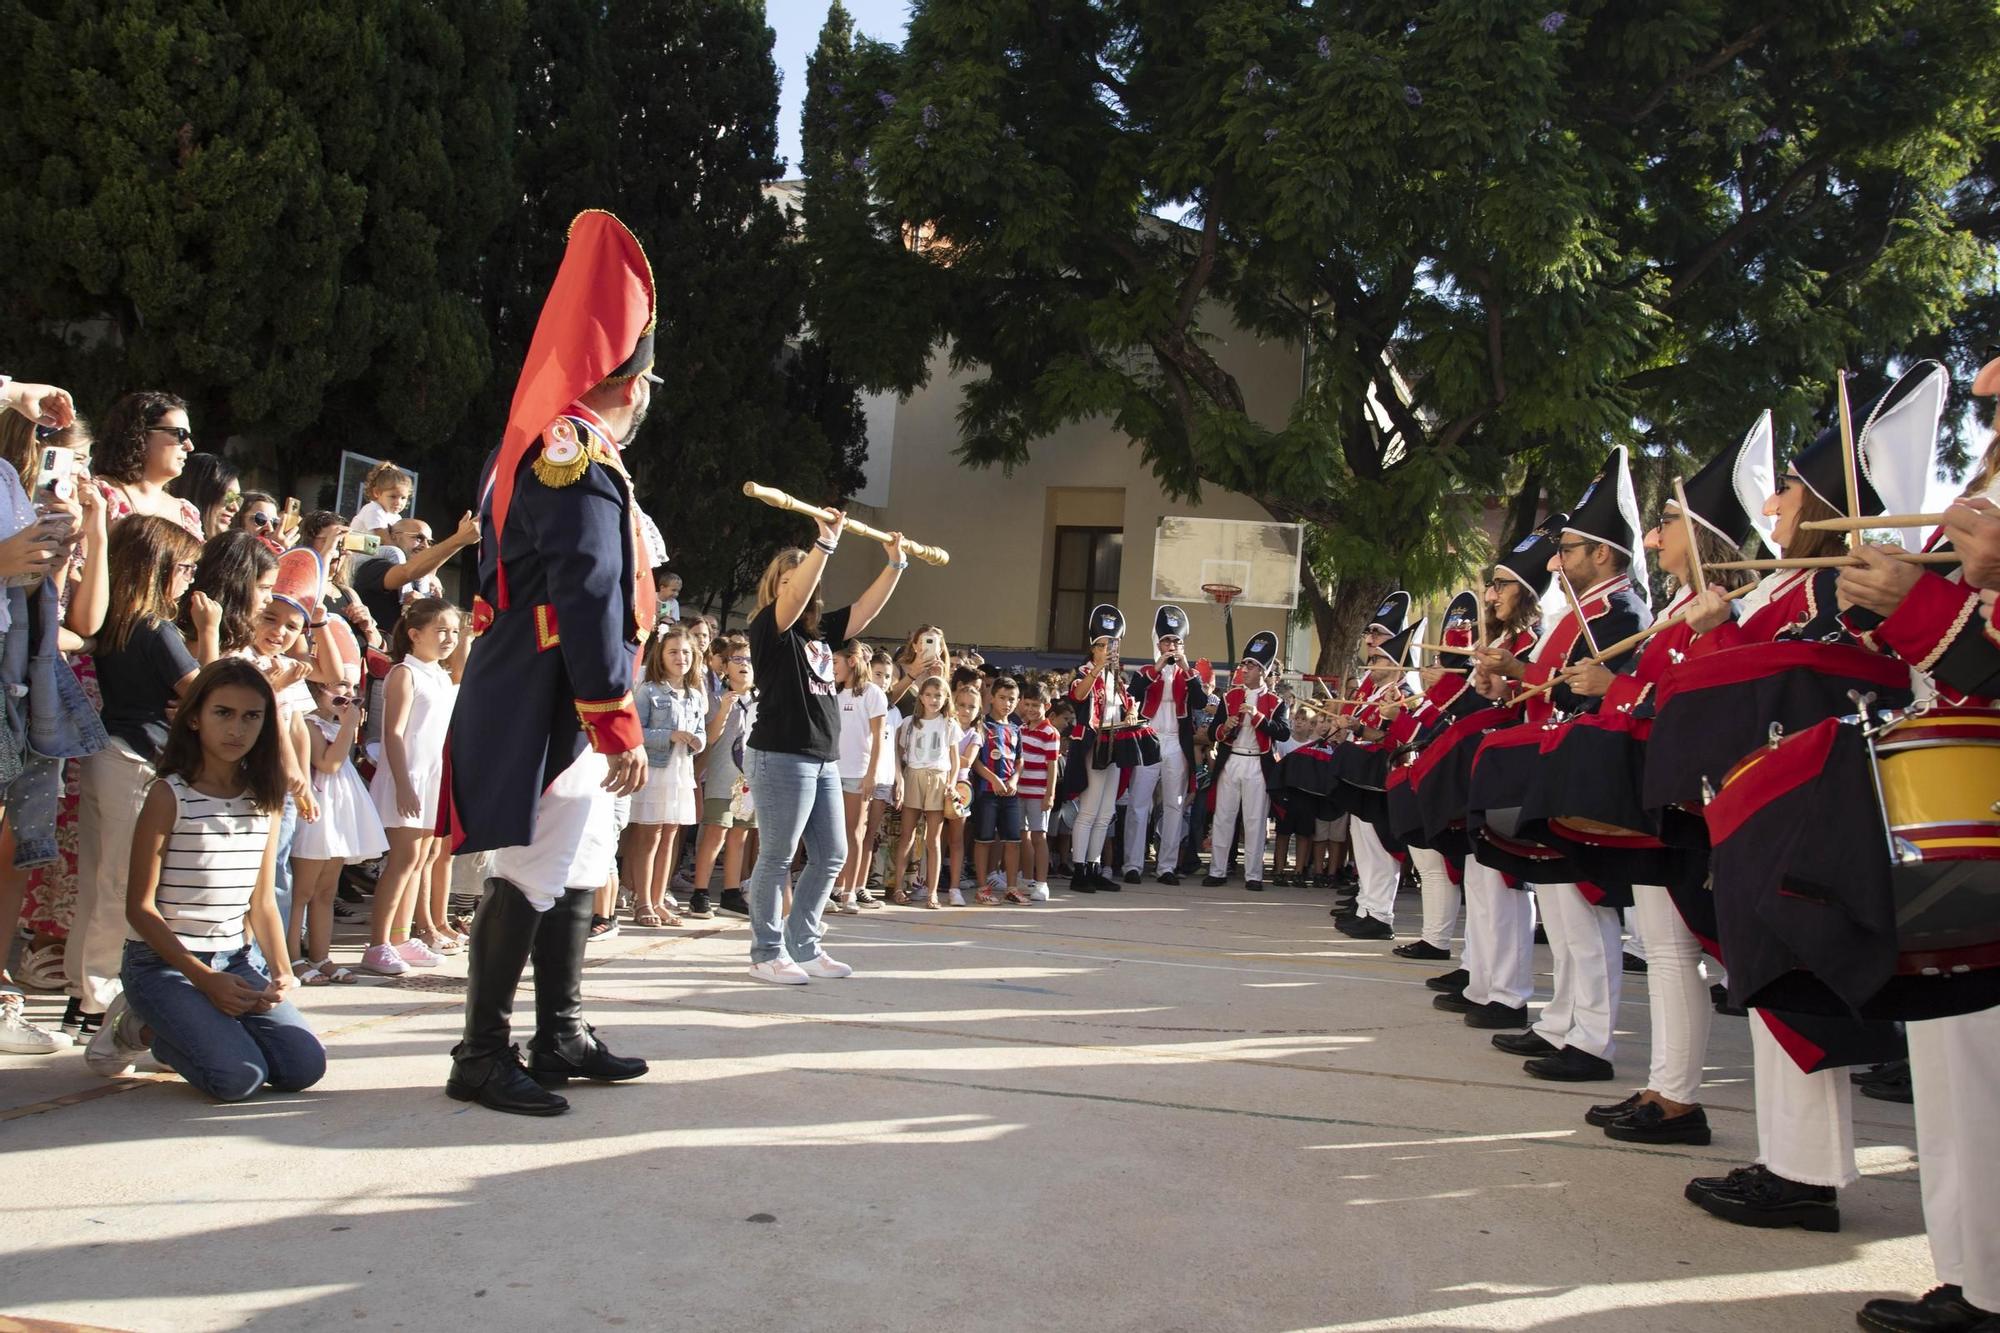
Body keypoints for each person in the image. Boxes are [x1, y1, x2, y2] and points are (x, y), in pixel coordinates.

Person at [443, 210, 657, 1115]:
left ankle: (558, 1029)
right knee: (533, 867)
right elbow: (589, 592)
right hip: (557, 696)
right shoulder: (572, 456)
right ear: (630, 386)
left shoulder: (543, 446)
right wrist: (612, 719)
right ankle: (480, 1052)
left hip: (551, 690)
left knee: (576, 862)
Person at [1475, 447, 1652, 1082]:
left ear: (1603, 553)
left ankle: (1592, 1040)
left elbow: (1592, 691)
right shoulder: (1581, 613)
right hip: (1549, 764)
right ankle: (1560, 1024)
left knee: (1585, 911)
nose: (1559, 561)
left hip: (1580, 771)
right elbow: (1552, 687)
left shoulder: (1622, 612)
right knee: (1559, 908)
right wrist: (1509, 684)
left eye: (1570, 548)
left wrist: (1525, 672)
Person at [83, 659, 326, 1098]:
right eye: (223, 713)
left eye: (251, 716)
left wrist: (281, 972)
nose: (237, 729)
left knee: (301, 1067)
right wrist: (201, 978)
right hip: (162, 964)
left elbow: (262, 900)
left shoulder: (264, 799)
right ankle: (138, 1028)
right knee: (238, 1078)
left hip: (232, 960)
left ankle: (202, 1028)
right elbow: (139, 908)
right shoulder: (167, 794)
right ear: (195, 718)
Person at [739, 509, 908, 983]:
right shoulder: (768, 627)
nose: (800, 585)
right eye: (790, 579)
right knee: (777, 855)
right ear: (777, 585)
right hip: (779, 754)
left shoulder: (818, 633)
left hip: (821, 758)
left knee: (832, 852)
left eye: (805, 578)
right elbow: (793, 598)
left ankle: (804, 945)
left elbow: (865, 611)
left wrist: (894, 564)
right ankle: (767, 952)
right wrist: (825, 545)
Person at [66, 517, 210, 1035]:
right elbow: (207, 691)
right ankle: (98, 999)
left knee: (98, 882)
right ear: (160, 567)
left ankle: (85, 991)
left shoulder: (116, 624)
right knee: (122, 886)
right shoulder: (155, 627)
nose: (191, 579)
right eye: (187, 567)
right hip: (135, 762)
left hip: (108, 753)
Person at [362, 598, 463, 974]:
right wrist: (403, 784)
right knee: (402, 860)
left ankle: (403, 937)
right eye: (441, 631)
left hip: (431, 778)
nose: (449, 638)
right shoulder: (405, 673)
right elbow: (394, 733)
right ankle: (378, 943)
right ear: (415, 634)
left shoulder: (439, 674)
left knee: (421, 860)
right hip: (407, 777)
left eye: (454, 631)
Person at [287, 676, 386, 984]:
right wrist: (349, 726)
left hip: (338, 814)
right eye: (339, 686)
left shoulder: (333, 725)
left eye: (352, 688)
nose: (349, 694)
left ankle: (321, 956)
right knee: (301, 892)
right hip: (315, 812)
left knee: (326, 891)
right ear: (316, 688)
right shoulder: (308, 725)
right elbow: (327, 763)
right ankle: (293, 958)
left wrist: (345, 726)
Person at [1122, 605, 1208, 887]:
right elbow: (1132, 695)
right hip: (1149, 738)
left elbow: (1200, 703)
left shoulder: (1189, 674)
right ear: (1157, 643)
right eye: (1167, 641)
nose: (1172, 646)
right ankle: (1132, 865)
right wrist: (1158, 667)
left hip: (1175, 742)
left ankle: (1167, 866)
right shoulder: (1146, 671)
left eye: (1177, 641)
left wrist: (1186, 668)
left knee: (1175, 805)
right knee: (1138, 805)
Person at [626, 624, 706, 928]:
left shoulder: (695, 696)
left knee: (670, 837)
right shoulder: (649, 690)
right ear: (662, 654)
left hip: (681, 773)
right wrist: (670, 735)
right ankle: (642, 901)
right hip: (657, 770)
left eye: (686, 652)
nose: (680, 658)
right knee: (649, 836)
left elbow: (700, 734)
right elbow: (637, 732)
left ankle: (659, 899)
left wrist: (697, 740)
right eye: (674, 652)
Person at [1202, 632, 1290, 891]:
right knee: (1223, 817)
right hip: (1232, 761)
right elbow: (1212, 732)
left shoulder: (1276, 702)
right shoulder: (1229, 697)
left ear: (1263, 670)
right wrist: (1224, 728)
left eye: (1251, 665)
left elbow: (1283, 732)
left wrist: (1259, 717)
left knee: (1255, 820)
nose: (1245, 669)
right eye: (1244, 664)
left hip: (1257, 764)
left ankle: (1254, 875)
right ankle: (1217, 870)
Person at [1062, 604, 1139, 893]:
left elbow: (1124, 709)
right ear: (1093, 649)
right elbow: (1078, 696)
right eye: (1103, 645)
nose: (1108, 650)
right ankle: (1079, 869)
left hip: (1114, 747)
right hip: (1092, 747)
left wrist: (1131, 715)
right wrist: (1097, 669)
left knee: (1106, 812)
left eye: (1113, 645)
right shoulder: (1084, 672)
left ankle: (1093, 867)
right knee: (1089, 810)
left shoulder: (1118, 680)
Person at [689, 634, 756, 921]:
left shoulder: (758, 700)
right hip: (722, 776)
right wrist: (726, 710)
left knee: (739, 835)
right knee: (715, 832)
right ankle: (700, 892)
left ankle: (730, 893)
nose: (744, 665)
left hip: (749, 779)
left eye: (749, 660)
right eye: (737, 660)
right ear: (725, 667)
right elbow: (711, 738)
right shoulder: (716, 700)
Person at [91, 391, 202, 537]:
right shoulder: (97, 495)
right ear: (139, 433)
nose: (190, 446)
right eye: (180, 434)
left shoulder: (187, 512)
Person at [351, 513, 479, 634]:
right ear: (394, 536)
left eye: (430, 542)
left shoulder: (424, 580)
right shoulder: (375, 566)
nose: (425, 546)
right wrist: (459, 540)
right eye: (418, 538)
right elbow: (406, 572)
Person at [831, 640, 888, 913]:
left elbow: (878, 737)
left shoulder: (873, 693)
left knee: (854, 831)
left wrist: (871, 774)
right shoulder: (831, 691)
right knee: (831, 833)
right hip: (830, 770)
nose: (832, 668)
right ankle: (834, 887)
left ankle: (850, 891)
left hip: (857, 773)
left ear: (852, 661)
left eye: (836, 663)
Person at [893, 675, 959, 909]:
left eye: (938, 695)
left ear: (946, 698)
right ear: (921, 697)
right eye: (929, 695)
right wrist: (899, 779)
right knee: (907, 835)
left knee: (933, 839)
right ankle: (898, 887)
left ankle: (932, 892)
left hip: (938, 778)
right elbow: (897, 753)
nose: (933, 699)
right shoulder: (909, 722)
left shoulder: (949, 723)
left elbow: (955, 758)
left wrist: (951, 783)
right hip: (913, 775)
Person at [968, 674, 1028, 904]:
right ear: (991, 698)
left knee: (1013, 841)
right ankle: (983, 887)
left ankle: (1011, 887)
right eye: (1002, 698)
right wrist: (992, 779)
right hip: (986, 792)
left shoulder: (1015, 727)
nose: (1007, 703)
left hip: (1010, 794)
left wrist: (1014, 780)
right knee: (984, 840)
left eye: (1012, 699)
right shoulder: (981, 725)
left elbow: (1020, 759)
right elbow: (975, 760)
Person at [1014, 679, 1062, 902]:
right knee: (1023, 836)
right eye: (1028, 704)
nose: (1032, 709)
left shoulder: (1050, 733)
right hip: (1019, 791)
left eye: (1037, 705)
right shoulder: (1021, 729)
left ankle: (1042, 883)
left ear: (1047, 706)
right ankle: (1026, 879)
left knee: (1038, 836)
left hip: (1038, 792)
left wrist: (1049, 795)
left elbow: (1052, 765)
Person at [167, 452, 242, 538]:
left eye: (237, 498)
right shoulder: (168, 543)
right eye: (229, 496)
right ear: (201, 493)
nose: (236, 508)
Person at [349, 461, 413, 536]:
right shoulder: (374, 509)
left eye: (403, 498)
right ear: (377, 492)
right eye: (393, 496)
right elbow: (385, 539)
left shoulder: (396, 517)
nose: (398, 502)